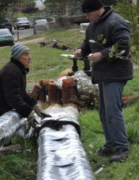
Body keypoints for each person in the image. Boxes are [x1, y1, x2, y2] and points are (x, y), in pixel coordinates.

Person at [74, 0, 133, 162]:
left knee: (113, 111)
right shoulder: (93, 25)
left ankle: (122, 147)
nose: (86, 17)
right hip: (102, 74)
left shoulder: (116, 22)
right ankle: (110, 144)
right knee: (104, 112)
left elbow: (124, 46)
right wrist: (81, 49)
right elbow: (88, 42)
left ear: (98, 10)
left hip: (116, 73)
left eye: (88, 13)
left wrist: (102, 55)